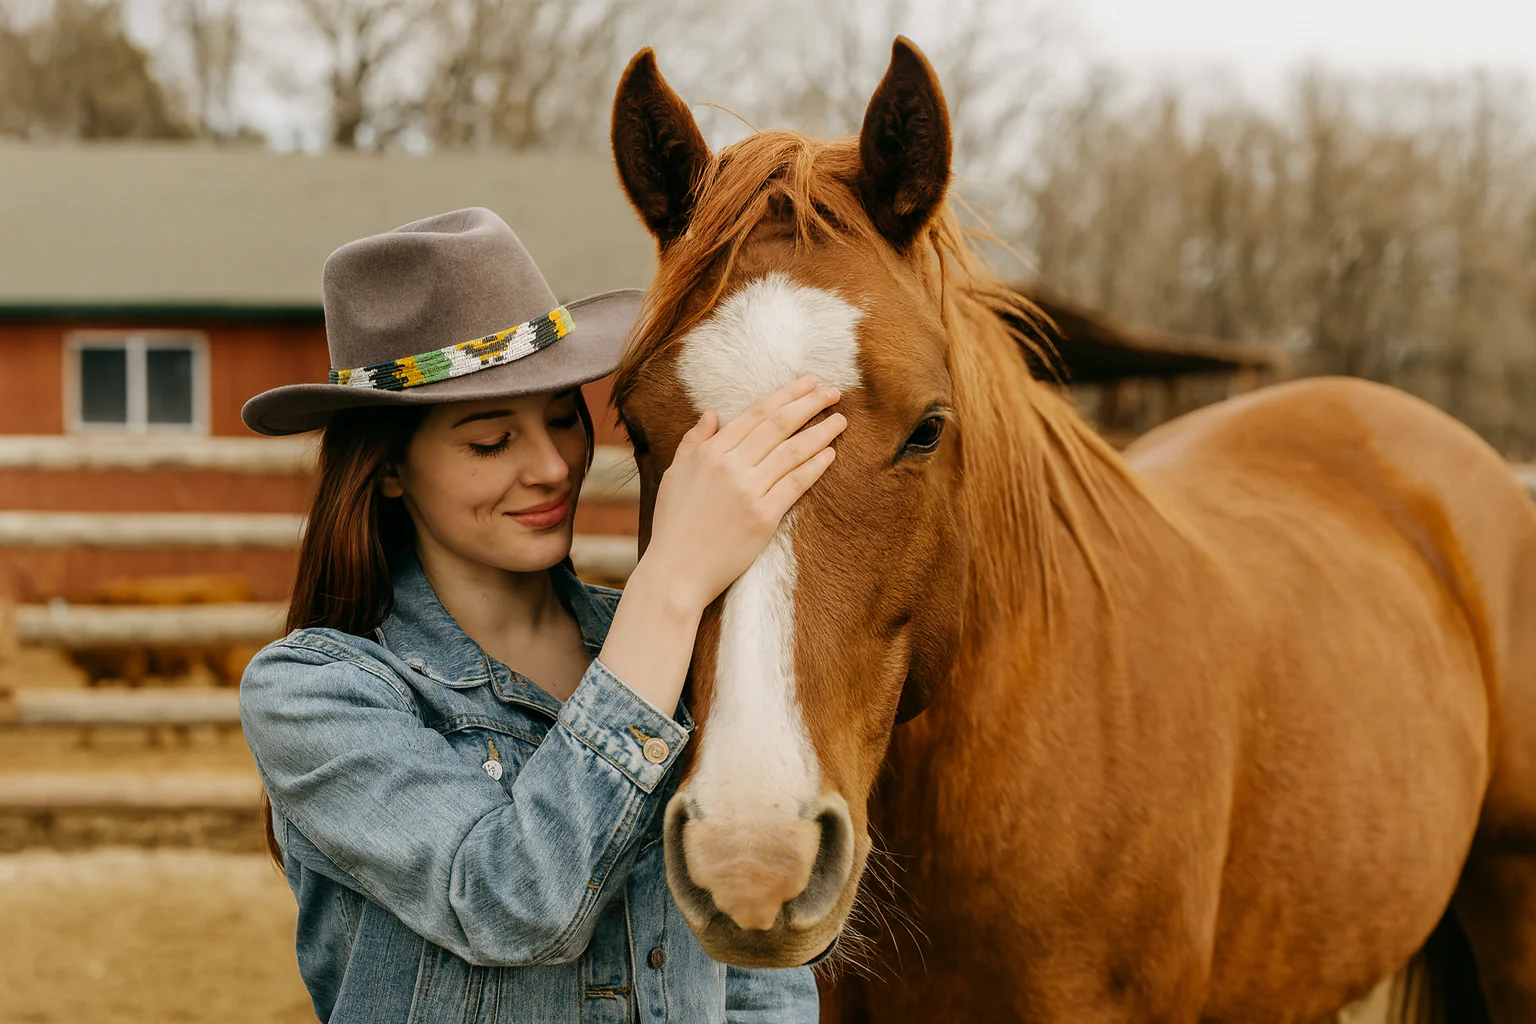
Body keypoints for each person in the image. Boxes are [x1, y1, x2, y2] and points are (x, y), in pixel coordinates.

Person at [238, 207, 844, 1023]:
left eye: (564, 416)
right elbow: (509, 902)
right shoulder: (311, 694)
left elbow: (756, 963)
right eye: (491, 442)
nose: (553, 466)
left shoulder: (678, 644)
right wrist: (669, 583)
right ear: (387, 470)